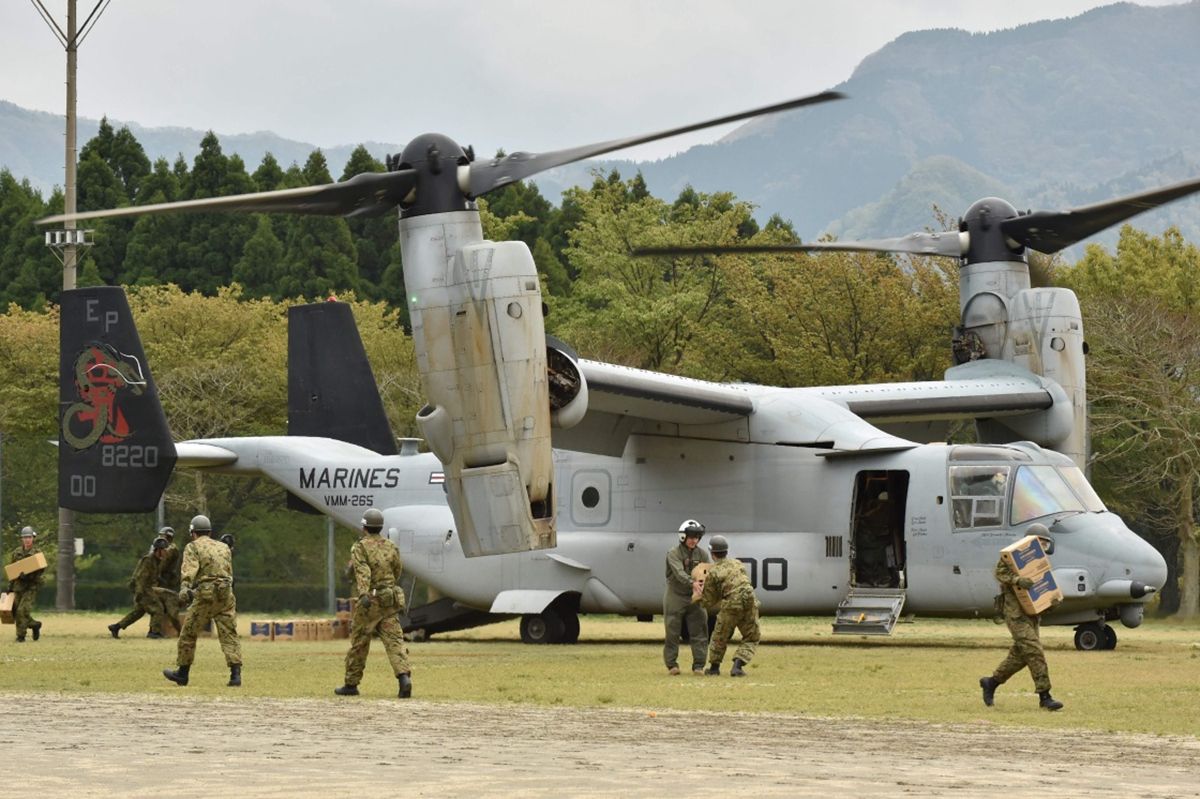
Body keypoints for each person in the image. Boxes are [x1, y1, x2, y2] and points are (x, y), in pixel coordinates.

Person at [979, 524, 1063, 711]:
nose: (1043, 547)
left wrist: (1051, 602)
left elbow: (1040, 590)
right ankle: (1045, 696)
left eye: (1045, 544)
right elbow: (999, 573)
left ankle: (991, 682)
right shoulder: (1012, 557)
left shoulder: (1039, 564)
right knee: (1034, 651)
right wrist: (1017, 580)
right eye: (1040, 543)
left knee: (1021, 656)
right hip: (1015, 615)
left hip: (1032, 616)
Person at [335, 508, 413, 698]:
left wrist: (364, 593)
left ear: (364, 527)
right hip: (389, 600)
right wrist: (387, 586)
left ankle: (351, 684)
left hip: (370, 602)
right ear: (380, 527)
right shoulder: (391, 546)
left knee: (360, 642)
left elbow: (363, 572)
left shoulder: (360, 547)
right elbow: (397, 570)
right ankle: (404, 678)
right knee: (394, 641)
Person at [163, 515, 242, 688]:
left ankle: (182, 674)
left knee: (188, 634)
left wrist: (185, 589)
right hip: (226, 594)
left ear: (193, 533)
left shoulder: (193, 546)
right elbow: (228, 572)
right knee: (229, 634)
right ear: (210, 532)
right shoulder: (224, 547)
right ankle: (235, 675)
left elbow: (189, 570)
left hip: (206, 595)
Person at [694, 534, 760, 677]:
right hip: (749, 599)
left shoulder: (713, 572)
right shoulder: (738, 563)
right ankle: (737, 666)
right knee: (751, 636)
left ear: (712, 553)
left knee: (720, 635)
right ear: (726, 551)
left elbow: (708, 601)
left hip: (731, 603)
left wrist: (697, 595)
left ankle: (714, 668)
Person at [663, 519, 711, 675]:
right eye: (691, 537)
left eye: (697, 537)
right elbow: (678, 572)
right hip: (676, 595)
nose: (694, 540)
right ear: (683, 537)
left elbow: (707, 573)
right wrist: (692, 582)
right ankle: (672, 665)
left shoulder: (702, 554)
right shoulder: (673, 553)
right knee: (672, 631)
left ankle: (699, 666)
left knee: (700, 631)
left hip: (695, 596)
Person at [109, 538, 177, 639]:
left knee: (138, 612)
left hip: (146, 588)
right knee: (158, 608)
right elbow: (140, 578)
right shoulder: (148, 560)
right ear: (158, 550)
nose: (166, 552)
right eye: (164, 550)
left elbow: (153, 575)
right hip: (143, 588)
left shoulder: (157, 560)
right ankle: (154, 633)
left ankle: (116, 627)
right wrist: (139, 593)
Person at [7, 526, 45, 643]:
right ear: (22, 539)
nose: (27, 539)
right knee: (16, 611)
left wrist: (28, 576)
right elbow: (12, 570)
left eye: (29, 537)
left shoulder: (37, 553)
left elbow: (41, 569)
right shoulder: (16, 552)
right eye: (25, 537)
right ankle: (34, 625)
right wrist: (10, 587)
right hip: (18, 586)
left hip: (31, 586)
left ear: (33, 538)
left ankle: (21, 636)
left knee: (22, 611)